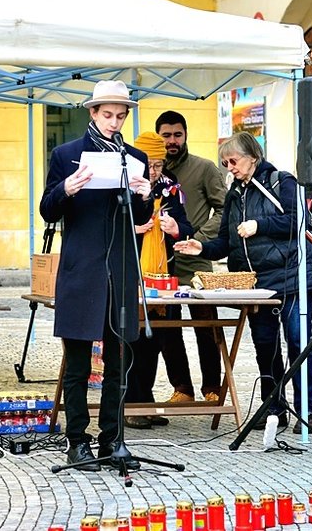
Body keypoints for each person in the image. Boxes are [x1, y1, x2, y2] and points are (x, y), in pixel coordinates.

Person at [40, 80, 153, 471]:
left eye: (121, 116)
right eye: (108, 115)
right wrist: (66, 189)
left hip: (120, 269)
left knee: (119, 360)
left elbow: (141, 220)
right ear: (92, 112)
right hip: (81, 269)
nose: (114, 122)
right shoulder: (67, 154)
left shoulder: (132, 156)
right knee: (77, 362)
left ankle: (113, 438)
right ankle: (77, 440)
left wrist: (144, 195)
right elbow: (47, 210)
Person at [175, 131, 312, 433]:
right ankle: (274, 407)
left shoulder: (281, 181)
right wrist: (201, 247)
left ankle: (308, 409)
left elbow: (297, 220)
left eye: (234, 161)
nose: (230, 167)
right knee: (265, 346)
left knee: (297, 343)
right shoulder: (234, 194)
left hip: (291, 277)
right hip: (257, 284)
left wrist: (259, 225)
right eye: (226, 162)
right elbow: (226, 241)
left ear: (253, 157)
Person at [124, 131, 194, 430]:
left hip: (163, 274)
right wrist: (135, 229)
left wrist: (176, 227)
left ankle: (146, 400)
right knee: (133, 339)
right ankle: (131, 404)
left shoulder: (170, 189)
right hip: (132, 270)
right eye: (148, 164)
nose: (153, 171)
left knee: (156, 339)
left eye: (158, 164)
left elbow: (187, 227)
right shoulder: (124, 185)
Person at [156, 110, 228, 404]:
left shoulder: (204, 168)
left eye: (177, 135)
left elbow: (224, 209)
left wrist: (197, 238)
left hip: (197, 263)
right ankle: (181, 388)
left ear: (185, 135)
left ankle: (212, 387)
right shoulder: (150, 171)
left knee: (206, 326)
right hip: (162, 265)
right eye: (166, 135)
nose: (172, 141)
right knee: (167, 330)